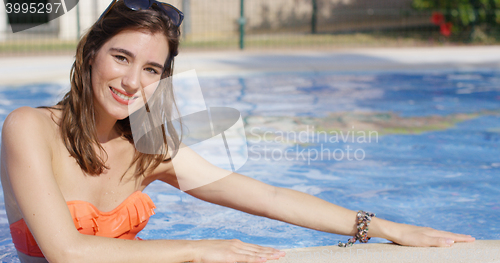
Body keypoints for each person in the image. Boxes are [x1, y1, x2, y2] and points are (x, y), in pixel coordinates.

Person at [1, 0, 475, 262]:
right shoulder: (29, 129)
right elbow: (67, 251)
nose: (131, 82)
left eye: (150, 69)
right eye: (121, 58)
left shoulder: (150, 148)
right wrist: (200, 249)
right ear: (90, 54)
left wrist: (385, 227)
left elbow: (268, 197)